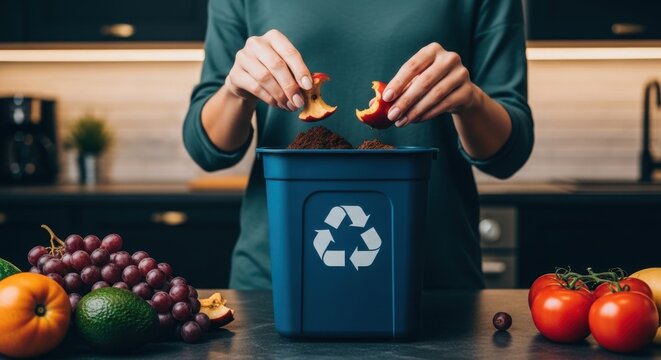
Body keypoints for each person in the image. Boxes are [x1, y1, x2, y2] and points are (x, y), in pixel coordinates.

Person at [183, 0, 534, 289]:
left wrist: (470, 101)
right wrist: (235, 91)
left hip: (432, 280)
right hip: (277, 280)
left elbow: (509, 153)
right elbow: (206, 148)